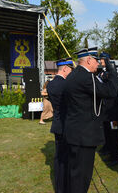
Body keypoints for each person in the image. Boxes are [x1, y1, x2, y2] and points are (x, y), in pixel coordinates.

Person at [63, 47, 118, 193]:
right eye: (96, 61)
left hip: (74, 132)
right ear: (88, 60)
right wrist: (112, 71)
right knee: (81, 177)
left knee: (74, 174)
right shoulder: (86, 78)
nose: (98, 64)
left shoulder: (73, 75)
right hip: (84, 135)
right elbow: (110, 92)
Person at [46, 58, 75, 193]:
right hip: (67, 125)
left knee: (58, 159)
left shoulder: (51, 85)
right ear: (65, 69)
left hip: (57, 124)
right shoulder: (66, 85)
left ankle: (59, 187)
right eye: (70, 70)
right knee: (67, 159)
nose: (71, 73)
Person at [99, 52, 118, 166]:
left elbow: (115, 95)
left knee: (115, 135)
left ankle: (116, 156)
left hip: (113, 110)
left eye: (102, 60)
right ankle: (109, 149)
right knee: (107, 132)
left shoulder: (114, 76)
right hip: (105, 109)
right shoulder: (103, 74)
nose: (100, 61)